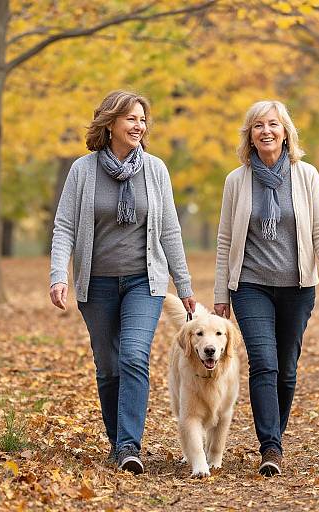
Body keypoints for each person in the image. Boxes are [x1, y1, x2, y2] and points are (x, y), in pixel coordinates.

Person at [50, 90, 195, 475]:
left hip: (143, 282)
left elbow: (169, 230)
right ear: (110, 123)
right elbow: (64, 225)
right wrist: (58, 275)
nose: (139, 126)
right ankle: (118, 443)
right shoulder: (83, 171)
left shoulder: (156, 170)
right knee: (108, 365)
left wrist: (183, 284)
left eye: (143, 120)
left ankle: (130, 446)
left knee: (133, 356)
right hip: (95, 285)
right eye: (131, 118)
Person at [213, 100, 319, 477]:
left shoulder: (306, 176)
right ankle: (270, 447)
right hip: (250, 285)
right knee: (264, 364)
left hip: (297, 287)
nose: (266, 131)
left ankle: (275, 436)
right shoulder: (237, 181)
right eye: (258, 126)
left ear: (286, 132)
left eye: (273, 124)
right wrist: (222, 293)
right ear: (249, 136)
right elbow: (224, 240)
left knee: (286, 369)